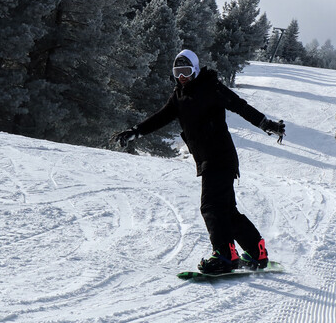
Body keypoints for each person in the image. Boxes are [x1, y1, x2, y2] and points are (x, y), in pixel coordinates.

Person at [116, 49, 285, 274]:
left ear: (195, 69)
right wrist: (135, 132)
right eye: (178, 72)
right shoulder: (179, 95)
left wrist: (266, 124)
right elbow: (160, 117)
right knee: (226, 210)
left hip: (220, 156)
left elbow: (240, 105)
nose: (182, 76)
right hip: (208, 159)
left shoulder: (211, 87)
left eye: (186, 71)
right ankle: (257, 252)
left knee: (211, 206)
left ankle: (225, 256)